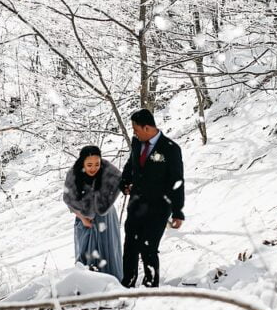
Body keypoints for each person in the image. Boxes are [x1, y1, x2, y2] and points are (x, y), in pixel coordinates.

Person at [119, 109, 185, 287]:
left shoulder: (170, 149)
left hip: (158, 207)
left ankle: (150, 286)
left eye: (136, 129)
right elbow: (131, 165)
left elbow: (177, 181)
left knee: (148, 248)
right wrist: (124, 182)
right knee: (130, 247)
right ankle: (127, 283)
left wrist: (178, 211)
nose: (134, 133)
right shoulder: (137, 144)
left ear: (147, 128)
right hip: (136, 206)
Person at [62, 145, 123, 280]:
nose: (93, 168)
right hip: (83, 219)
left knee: (107, 252)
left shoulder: (107, 170)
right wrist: (82, 217)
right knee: (86, 252)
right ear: (82, 162)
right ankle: (88, 284)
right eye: (89, 165)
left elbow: (120, 180)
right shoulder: (73, 175)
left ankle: (112, 283)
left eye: (97, 164)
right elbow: (69, 200)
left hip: (106, 218)